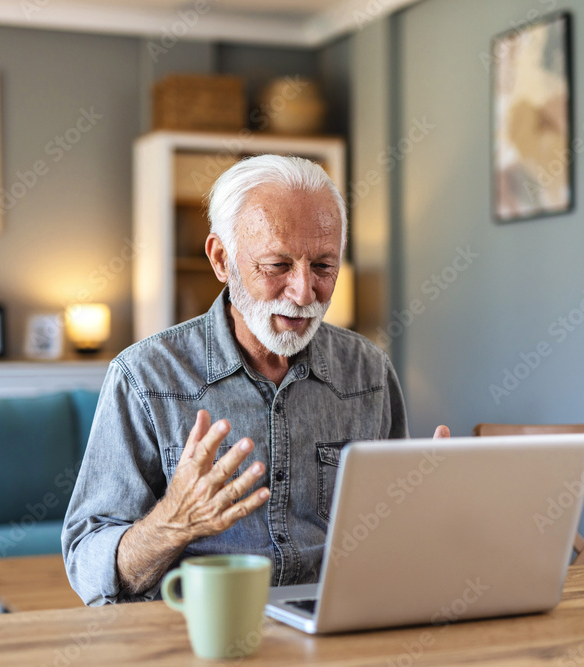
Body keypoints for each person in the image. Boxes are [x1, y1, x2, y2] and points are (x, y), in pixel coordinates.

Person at [62, 154, 448, 605]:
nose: (304, 292)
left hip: (336, 624)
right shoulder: (144, 377)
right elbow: (87, 566)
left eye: (323, 266)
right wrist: (173, 523)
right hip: (199, 628)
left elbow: (392, 541)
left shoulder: (369, 371)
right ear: (221, 259)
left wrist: (426, 510)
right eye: (277, 265)